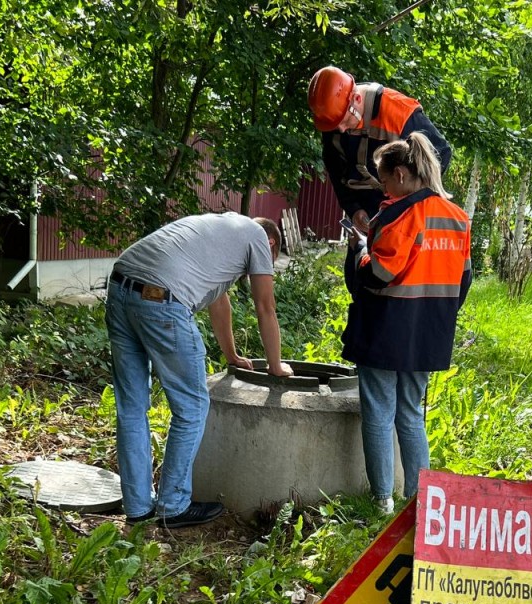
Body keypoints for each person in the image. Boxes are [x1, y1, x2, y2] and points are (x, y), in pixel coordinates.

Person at [106, 212, 293, 529]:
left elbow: (219, 303)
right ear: (271, 243)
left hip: (120, 287)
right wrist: (275, 365)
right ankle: (173, 506)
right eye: (271, 261)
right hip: (161, 299)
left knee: (132, 406)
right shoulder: (259, 237)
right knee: (192, 406)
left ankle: (137, 507)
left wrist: (232, 355)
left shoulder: (222, 234)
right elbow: (266, 306)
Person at [341, 133, 472, 513]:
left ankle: (382, 500)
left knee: (379, 411)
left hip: (384, 330)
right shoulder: (458, 217)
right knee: (411, 413)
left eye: (383, 180)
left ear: (400, 174)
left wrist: (359, 250)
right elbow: (464, 278)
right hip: (429, 333)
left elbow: (378, 273)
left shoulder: (397, 216)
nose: (383, 188)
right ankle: (421, 504)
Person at [307, 65, 452, 285]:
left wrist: (408, 202)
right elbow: (336, 172)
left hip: (402, 210)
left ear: (356, 99)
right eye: (336, 126)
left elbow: (441, 154)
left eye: (345, 121)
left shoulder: (399, 113)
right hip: (366, 208)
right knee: (358, 275)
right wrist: (354, 209)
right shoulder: (333, 118)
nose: (343, 130)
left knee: (399, 279)